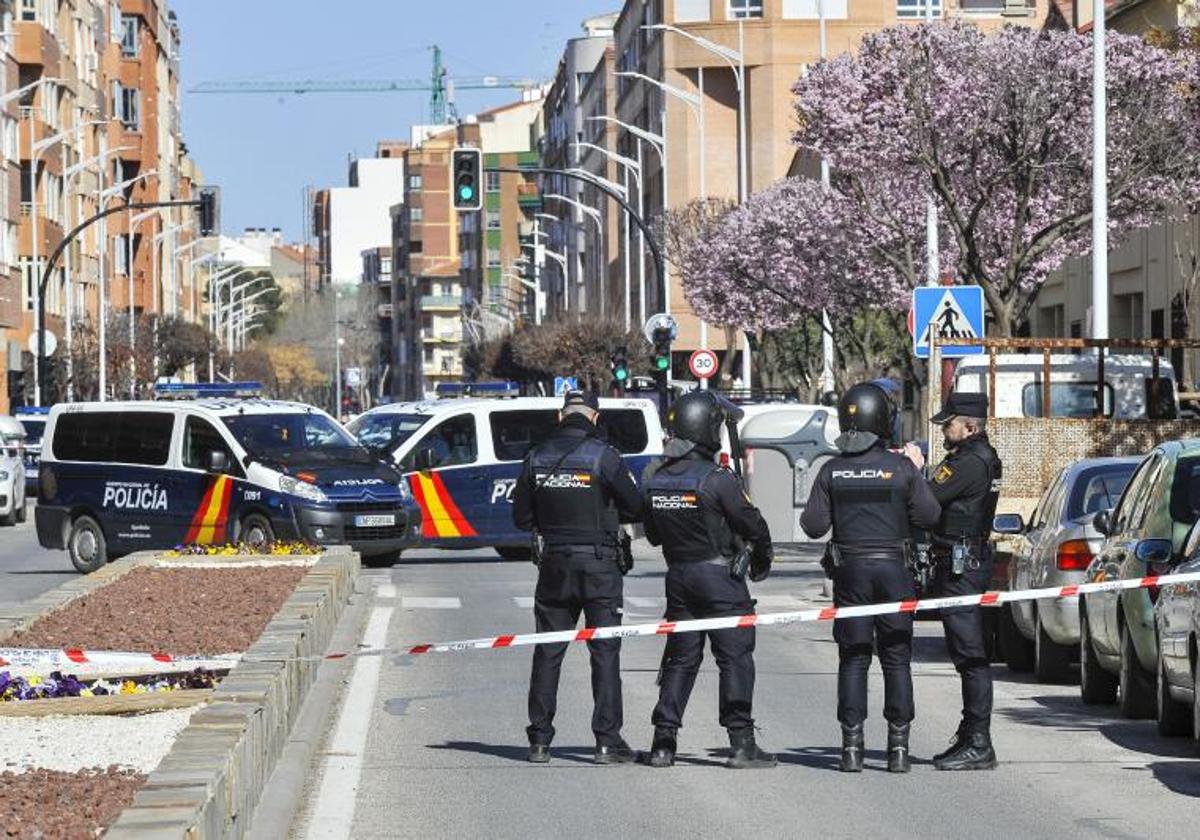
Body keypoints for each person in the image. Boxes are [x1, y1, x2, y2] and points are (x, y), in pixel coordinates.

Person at [801, 382, 941, 773]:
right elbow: (930, 517)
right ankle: (898, 749)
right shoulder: (901, 469)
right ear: (884, 420)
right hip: (895, 571)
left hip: (851, 574)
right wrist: (914, 473)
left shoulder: (832, 470)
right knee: (896, 658)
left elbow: (812, 526)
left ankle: (851, 748)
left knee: (854, 658)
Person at [643, 390, 776, 770]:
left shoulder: (655, 478)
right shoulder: (717, 479)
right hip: (720, 578)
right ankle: (741, 742)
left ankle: (663, 743)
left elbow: (652, 535)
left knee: (680, 660)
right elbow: (753, 524)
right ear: (708, 430)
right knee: (735, 659)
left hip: (679, 577)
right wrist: (761, 561)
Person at [512, 389, 643, 765]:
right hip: (600, 566)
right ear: (595, 419)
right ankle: (607, 741)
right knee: (604, 653)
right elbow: (635, 506)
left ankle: (539, 740)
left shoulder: (535, 456)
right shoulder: (605, 456)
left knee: (549, 651)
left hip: (554, 564)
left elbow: (521, 518)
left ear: (560, 416)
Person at [903, 391, 1002, 771]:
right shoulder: (980, 457)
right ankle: (970, 734)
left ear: (970, 426)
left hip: (963, 564)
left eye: (950, 423)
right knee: (966, 653)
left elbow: (926, 500)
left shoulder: (969, 462)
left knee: (969, 653)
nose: (944, 429)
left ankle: (979, 741)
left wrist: (915, 468)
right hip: (965, 560)